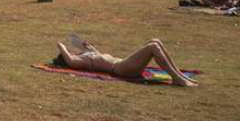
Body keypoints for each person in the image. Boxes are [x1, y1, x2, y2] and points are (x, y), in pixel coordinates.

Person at [55, 38, 197, 87]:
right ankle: (177, 79)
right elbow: (69, 59)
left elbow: (92, 50)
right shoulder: (77, 61)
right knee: (152, 47)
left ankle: (179, 75)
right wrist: (62, 47)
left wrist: (84, 44)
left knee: (155, 41)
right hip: (121, 68)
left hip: (123, 63)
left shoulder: (87, 55)